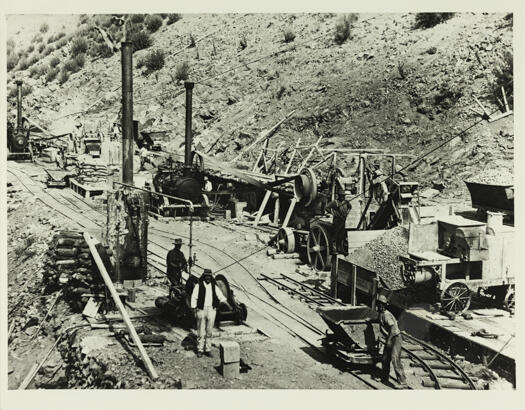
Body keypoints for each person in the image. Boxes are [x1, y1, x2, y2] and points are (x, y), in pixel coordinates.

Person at [190, 269, 231, 357]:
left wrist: (228, 305)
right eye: (206, 276)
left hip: (212, 310)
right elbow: (194, 298)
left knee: (209, 331)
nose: (208, 278)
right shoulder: (198, 286)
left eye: (209, 276)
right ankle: (200, 349)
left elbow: (221, 297)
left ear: (211, 277)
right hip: (201, 310)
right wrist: (194, 309)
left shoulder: (214, 286)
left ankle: (207, 349)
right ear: (204, 277)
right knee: (201, 331)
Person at [375, 294, 408, 388]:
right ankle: (384, 378)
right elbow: (379, 321)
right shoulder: (381, 314)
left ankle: (403, 382)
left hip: (395, 338)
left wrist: (388, 341)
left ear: (385, 305)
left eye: (382, 305)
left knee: (395, 359)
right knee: (385, 359)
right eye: (379, 304)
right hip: (389, 338)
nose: (380, 306)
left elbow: (392, 329)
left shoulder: (386, 315)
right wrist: (370, 320)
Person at [325, 191, 352, 255]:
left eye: (343, 196)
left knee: (341, 236)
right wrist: (333, 213)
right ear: (339, 196)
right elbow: (326, 207)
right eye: (341, 196)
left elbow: (350, 207)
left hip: (343, 221)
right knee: (335, 235)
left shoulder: (346, 202)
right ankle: (333, 249)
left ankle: (339, 249)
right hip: (337, 221)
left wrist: (347, 213)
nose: (343, 197)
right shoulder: (335, 202)